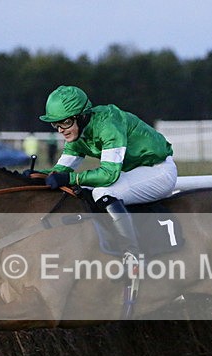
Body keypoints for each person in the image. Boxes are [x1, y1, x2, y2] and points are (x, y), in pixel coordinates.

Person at [35, 85, 177, 269]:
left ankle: (133, 255)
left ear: (82, 116)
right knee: (83, 192)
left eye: (66, 122)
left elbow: (109, 174)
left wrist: (70, 179)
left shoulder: (108, 124)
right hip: (134, 172)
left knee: (103, 191)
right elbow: (61, 171)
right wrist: (35, 175)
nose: (61, 130)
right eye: (56, 124)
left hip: (158, 171)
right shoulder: (77, 135)